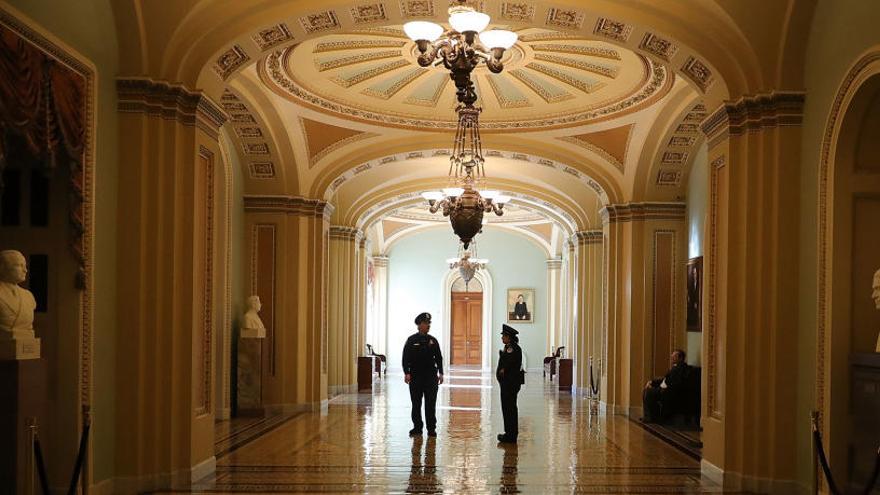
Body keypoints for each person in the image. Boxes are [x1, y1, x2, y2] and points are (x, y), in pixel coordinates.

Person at [402, 312, 444, 437]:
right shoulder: (411, 340)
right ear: (419, 325)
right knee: (416, 404)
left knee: (430, 404)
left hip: (431, 377)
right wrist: (406, 372)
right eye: (426, 323)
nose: (428, 325)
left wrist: (441, 372)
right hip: (416, 377)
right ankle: (417, 427)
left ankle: (431, 428)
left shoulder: (433, 340)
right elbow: (405, 358)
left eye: (429, 323)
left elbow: (439, 358)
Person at [642, 349, 690, 423]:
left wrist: (661, 388)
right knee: (646, 390)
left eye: (674, 356)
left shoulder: (681, 368)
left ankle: (650, 417)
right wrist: (652, 382)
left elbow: (674, 383)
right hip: (664, 388)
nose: (672, 358)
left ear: (680, 358)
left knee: (649, 392)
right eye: (672, 356)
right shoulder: (675, 367)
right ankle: (650, 416)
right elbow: (665, 379)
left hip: (669, 391)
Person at [496, 324, 523, 443]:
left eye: (504, 336)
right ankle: (510, 433)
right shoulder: (510, 347)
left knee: (509, 409)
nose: (502, 338)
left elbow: (508, 365)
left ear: (509, 337)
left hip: (509, 384)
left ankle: (510, 435)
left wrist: (502, 370)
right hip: (508, 383)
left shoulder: (512, 348)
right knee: (508, 408)